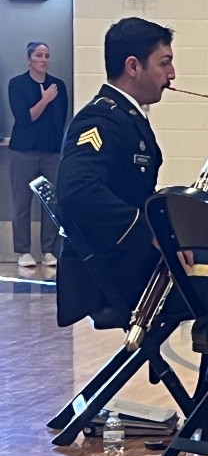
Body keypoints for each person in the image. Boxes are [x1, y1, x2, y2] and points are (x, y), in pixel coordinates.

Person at [57, 18, 176, 328]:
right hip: (112, 273)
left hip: (126, 261)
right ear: (133, 66)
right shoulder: (101, 118)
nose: (171, 74)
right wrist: (150, 232)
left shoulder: (124, 115)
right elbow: (76, 190)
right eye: (164, 63)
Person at [9, 41, 68, 267]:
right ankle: (23, 251)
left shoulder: (58, 86)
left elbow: (60, 120)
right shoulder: (17, 85)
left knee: (52, 202)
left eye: (47, 55)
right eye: (39, 56)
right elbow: (25, 119)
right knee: (22, 203)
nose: (44, 60)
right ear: (29, 59)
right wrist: (45, 100)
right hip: (23, 152)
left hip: (51, 152)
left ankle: (48, 250)